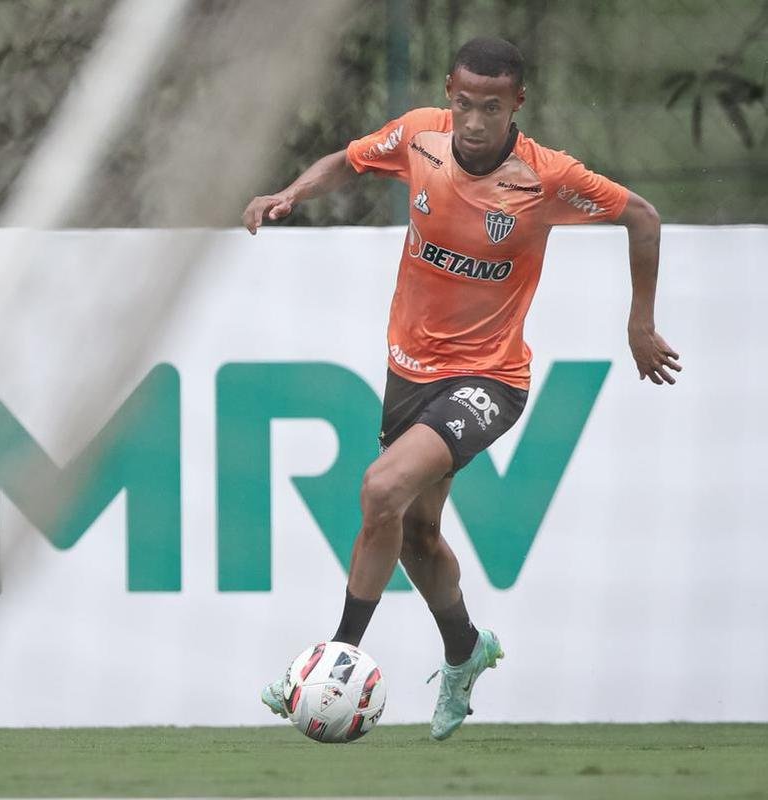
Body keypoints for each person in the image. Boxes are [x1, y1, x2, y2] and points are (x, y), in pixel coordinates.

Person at [242, 36, 681, 741]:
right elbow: (347, 160)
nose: (475, 121)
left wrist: (639, 323)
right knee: (415, 535)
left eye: (492, 107)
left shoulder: (547, 178)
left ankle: (334, 658)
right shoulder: (419, 138)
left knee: (381, 490)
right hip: (407, 373)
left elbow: (644, 218)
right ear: (450, 93)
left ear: (518, 105)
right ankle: (464, 650)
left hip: (489, 379)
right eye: (464, 104)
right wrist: (290, 192)